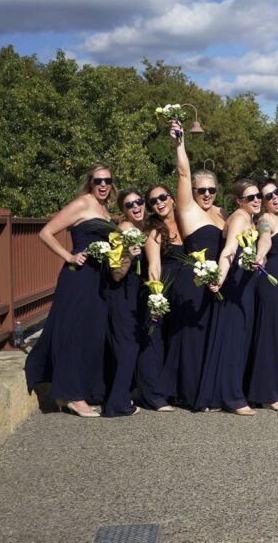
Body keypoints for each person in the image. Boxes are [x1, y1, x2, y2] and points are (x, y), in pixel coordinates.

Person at [25, 164, 116, 417]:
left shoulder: (104, 207)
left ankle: (76, 391)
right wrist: (69, 256)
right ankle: (73, 396)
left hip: (99, 279)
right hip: (79, 277)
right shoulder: (82, 204)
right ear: (90, 182)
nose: (103, 185)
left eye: (107, 180)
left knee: (91, 334)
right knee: (75, 333)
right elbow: (46, 233)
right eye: (98, 180)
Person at [159, 121, 225, 408]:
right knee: (192, 338)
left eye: (211, 190)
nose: (207, 194)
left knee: (210, 335)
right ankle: (188, 393)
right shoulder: (188, 210)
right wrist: (179, 143)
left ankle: (206, 390)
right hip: (193, 280)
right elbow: (184, 173)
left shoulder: (222, 214)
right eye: (202, 190)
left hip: (217, 282)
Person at [193, 179, 267, 415]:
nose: (256, 200)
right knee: (232, 341)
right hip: (233, 285)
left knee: (239, 339)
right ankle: (232, 398)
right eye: (250, 198)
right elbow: (229, 250)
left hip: (245, 286)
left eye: (258, 196)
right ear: (238, 201)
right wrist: (220, 278)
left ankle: (224, 394)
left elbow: (265, 237)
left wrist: (261, 256)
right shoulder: (237, 218)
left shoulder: (253, 218)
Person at [246, 178, 278, 411]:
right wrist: (259, 253)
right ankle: (268, 394)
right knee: (271, 337)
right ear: (263, 203)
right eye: (268, 196)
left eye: (276, 192)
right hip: (274, 281)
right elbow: (264, 236)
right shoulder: (266, 220)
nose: (274, 197)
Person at [136, 184, 181, 412]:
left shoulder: (184, 222)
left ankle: (171, 390)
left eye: (163, 197)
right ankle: (152, 396)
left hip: (180, 293)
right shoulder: (154, 229)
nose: (159, 202)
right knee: (154, 341)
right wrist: (156, 297)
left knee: (173, 341)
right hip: (160, 289)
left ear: (172, 198)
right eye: (153, 201)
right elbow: (154, 265)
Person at [103, 190, 147, 417]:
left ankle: (122, 395)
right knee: (127, 348)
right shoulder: (121, 232)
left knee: (131, 346)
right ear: (123, 211)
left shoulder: (141, 229)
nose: (136, 206)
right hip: (121, 297)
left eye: (139, 202)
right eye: (130, 205)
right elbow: (116, 274)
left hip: (135, 296)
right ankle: (116, 404)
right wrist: (128, 256)